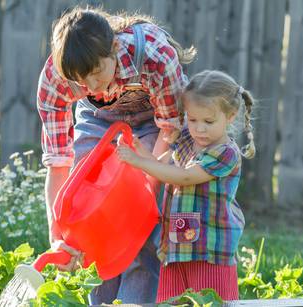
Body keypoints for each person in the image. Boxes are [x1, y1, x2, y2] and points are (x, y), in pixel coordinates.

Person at [36, 6, 195, 304]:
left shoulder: (154, 56)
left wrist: (145, 188)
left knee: (144, 226)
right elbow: (59, 166)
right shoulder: (55, 81)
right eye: (82, 81)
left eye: (97, 73)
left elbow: (170, 129)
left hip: (154, 121)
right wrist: (57, 234)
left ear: (115, 49)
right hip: (97, 118)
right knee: (86, 214)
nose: (93, 86)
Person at [117, 70, 255, 302]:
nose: (199, 129)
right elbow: (162, 166)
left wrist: (138, 161)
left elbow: (184, 177)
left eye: (208, 121)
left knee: (209, 302)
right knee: (172, 302)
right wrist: (139, 151)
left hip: (208, 253)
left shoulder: (225, 153)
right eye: (192, 120)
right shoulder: (187, 142)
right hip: (177, 249)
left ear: (230, 116)